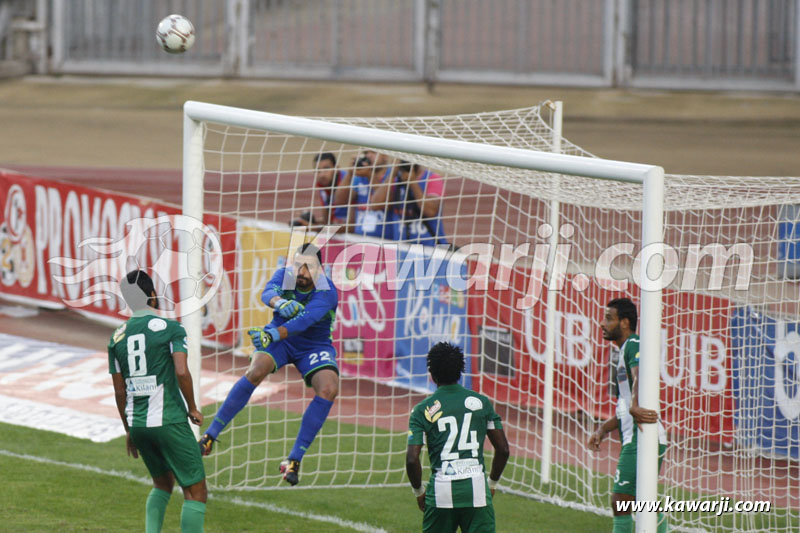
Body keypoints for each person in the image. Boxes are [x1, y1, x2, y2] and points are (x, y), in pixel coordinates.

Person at [199, 243, 338, 486]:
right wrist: (279, 303)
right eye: (298, 266)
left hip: (312, 345)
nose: (302, 272)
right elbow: (267, 292)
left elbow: (303, 322)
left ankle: (294, 460)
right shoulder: (286, 275)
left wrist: (270, 336)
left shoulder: (328, 291)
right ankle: (210, 436)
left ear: (320, 269)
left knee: (328, 388)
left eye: (308, 267)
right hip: (280, 339)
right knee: (256, 370)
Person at [108, 270, 207, 533]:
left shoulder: (116, 336)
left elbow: (119, 392)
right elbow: (182, 371)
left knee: (162, 484)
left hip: (138, 424)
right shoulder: (172, 329)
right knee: (196, 492)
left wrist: (129, 430)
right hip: (169, 420)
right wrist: (193, 408)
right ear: (152, 294)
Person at [406, 342, 509, 533]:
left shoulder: (422, 410)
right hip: (477, 491)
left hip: (441, 494)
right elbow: (503, 449)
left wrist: (419, 492)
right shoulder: (481, 403)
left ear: (432, 374)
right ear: (460, 371)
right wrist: (492, 483)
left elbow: (412, 459)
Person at [587, 298, 668, 533]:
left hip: (641, 437)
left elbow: (639, 374)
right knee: (646, 503)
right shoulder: (622, 352)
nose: (602, 323)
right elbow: (623, 410)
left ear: (624, 322)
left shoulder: (634, 343)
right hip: (638, 435)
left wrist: (635, 404)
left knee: (620, 501)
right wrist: (602, 430)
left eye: (608, 318)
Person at [334, 149, 396, 239]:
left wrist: (370, 175)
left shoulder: (392, 175)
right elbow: (339, 202)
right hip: (359, 238)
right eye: (366, 153)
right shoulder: (360, 176)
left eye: (373, 152)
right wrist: (350, 173)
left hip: (385, 241)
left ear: (385, 156)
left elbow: (383, 203)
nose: (369, 155)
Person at [391, 161, 449, 247]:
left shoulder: (432, 178)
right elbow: (375, 205)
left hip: (430, 248)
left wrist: (413, 182)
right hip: (401, 247)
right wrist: (392, 174)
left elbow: (431, 211)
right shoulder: (396, 181)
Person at [292, 152, 348, 228]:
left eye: (326, 169)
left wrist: (312, 228)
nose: (322, 174)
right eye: (318, 170)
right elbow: (327, 220)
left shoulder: (349, 182)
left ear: (336, 169)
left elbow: (351, 226)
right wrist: (312, 221)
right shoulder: (322, 184)